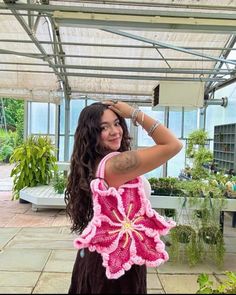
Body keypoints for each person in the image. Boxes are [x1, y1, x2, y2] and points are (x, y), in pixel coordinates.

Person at [65, 100, 183, 294]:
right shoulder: (116, 165)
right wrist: (134, 113)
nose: (115, 131)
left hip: (96, 256)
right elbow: (173, 144)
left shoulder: (90, 162)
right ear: (91, 133)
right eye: (104, 127)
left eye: (117, 123)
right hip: (117, 262)